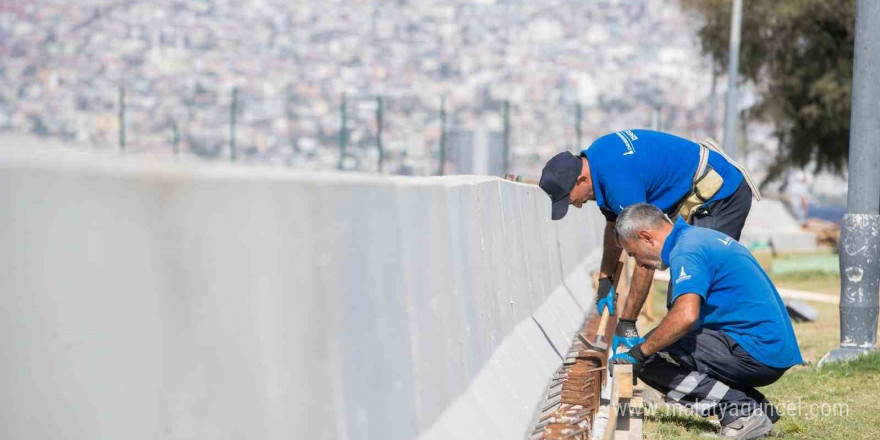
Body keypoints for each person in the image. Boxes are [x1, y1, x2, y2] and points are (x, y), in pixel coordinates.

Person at [538, 130, 761, 356]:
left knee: (690, 293)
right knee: (682, 297)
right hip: (697, 198)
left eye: (570, 199)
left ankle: (728, 360)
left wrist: (627, 321)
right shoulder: (598, 161)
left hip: (722, 196)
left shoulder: (619, 182)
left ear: (582, 180)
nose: (577, 205)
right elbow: (615, 225)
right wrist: (606, 279)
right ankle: (689, 364)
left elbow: (646, 254)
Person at [608, 204, 802, 439]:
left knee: (649, 356)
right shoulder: (696, 237)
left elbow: (686, 316)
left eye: (634, 254)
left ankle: (741, 412)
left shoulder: (686, 251)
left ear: (646, 237)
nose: (640, 263)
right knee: (656, 344)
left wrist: (638, 354)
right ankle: (753, 404)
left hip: (759, 351)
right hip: (769, 347)